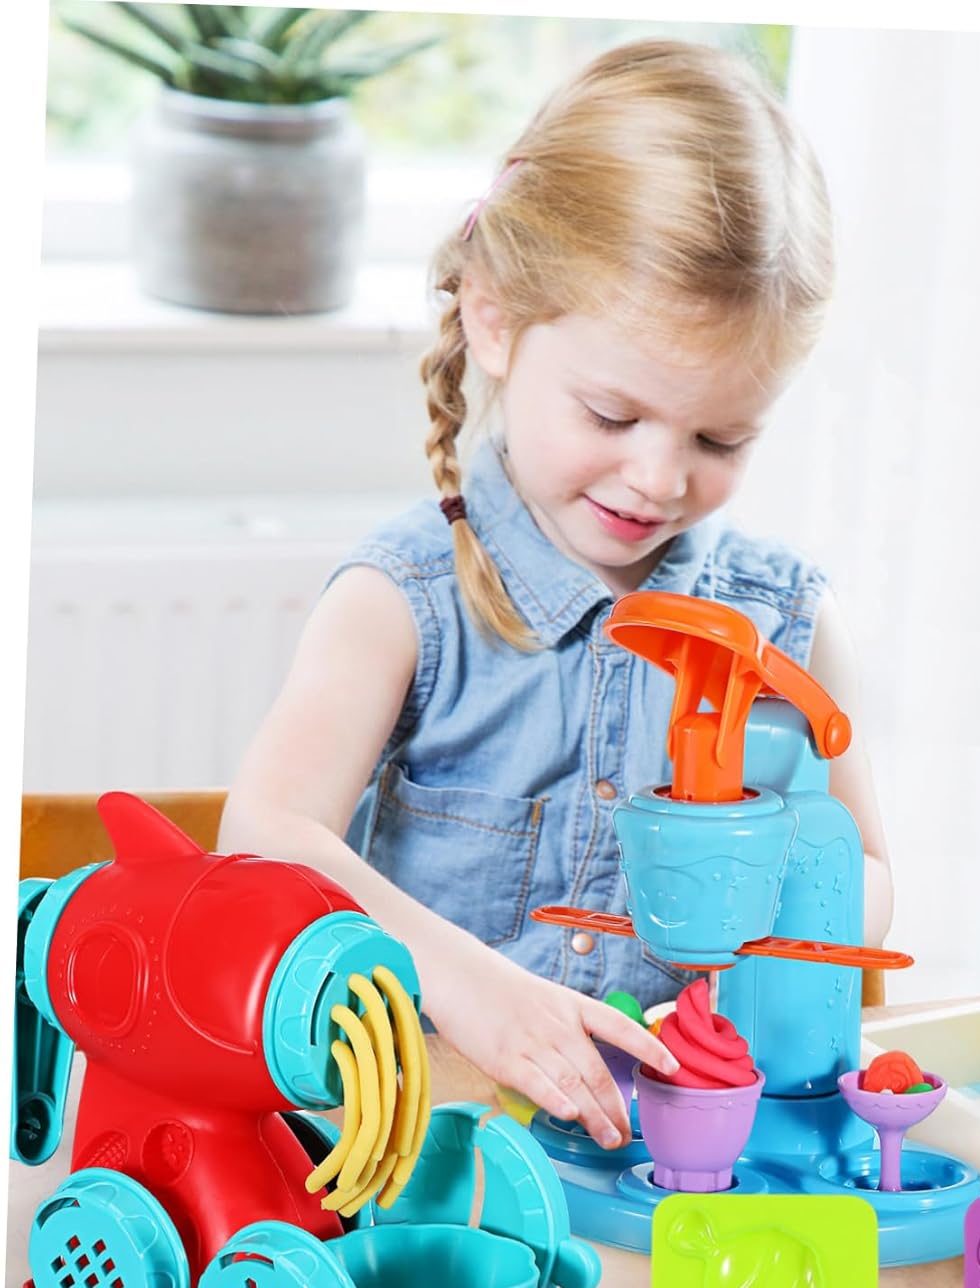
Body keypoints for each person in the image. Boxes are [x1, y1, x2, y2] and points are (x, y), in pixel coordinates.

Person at [221, 38, 893, 1153]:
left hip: (673, 1163)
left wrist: (765, 929)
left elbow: (865, 876)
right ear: (495, 322)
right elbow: (265, 833)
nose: (659, 478)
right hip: (420, 1158)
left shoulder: (789, 625)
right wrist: (471, 989)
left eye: (720, 438)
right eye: (613, 415)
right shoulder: (403, 601)